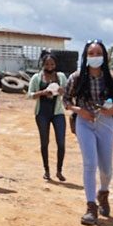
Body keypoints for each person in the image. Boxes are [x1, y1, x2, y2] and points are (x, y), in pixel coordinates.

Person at [64, 40, 113, 226]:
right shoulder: (76, 78)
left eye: (98, 53)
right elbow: (65, 100)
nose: (94, 57)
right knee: (90, 163)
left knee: (106, 167)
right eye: (91, 54)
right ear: (85, 56)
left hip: (106, 123)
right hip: (84, 121)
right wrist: (79, 110)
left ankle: (103, 192)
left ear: (104, 56)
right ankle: (91, 206)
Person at [27, 52, 68, 181]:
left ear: (55, 64)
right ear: (42, 64)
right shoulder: (36, 78)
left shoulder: (61, 76)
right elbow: (29, 95)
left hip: (58, 113)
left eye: (52, 64)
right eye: (47, 64)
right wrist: (42, 93)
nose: (50, 66)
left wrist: (63, 91)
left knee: (61, 143)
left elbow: (68, 92)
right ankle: (47, 170)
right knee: (44, 143)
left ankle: (59, 171)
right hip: (42, 114)